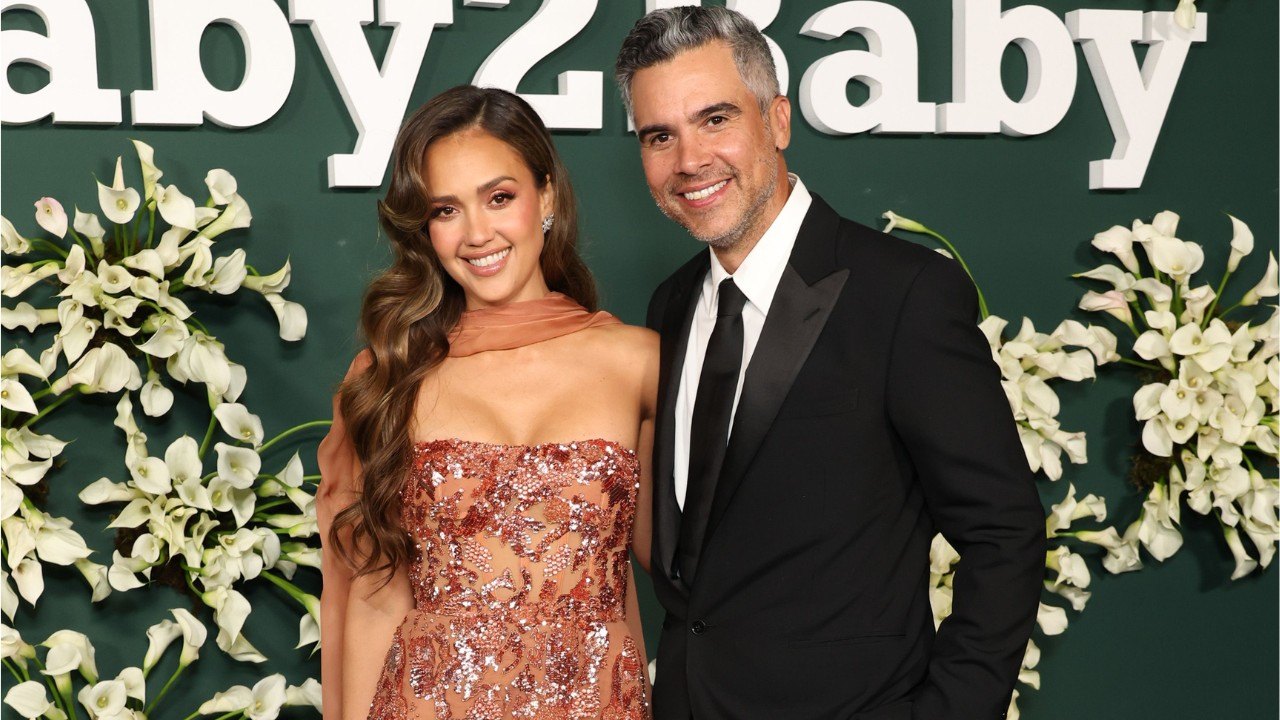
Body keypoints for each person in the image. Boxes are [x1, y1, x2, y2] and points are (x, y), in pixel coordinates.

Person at [614, 8, 1045, 720]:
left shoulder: (904, 293)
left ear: (777, 121)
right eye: (660, 135)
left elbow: (1005, 532)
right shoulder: (671, 305)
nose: (689, 159)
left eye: (715, 118)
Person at [316, 85, 657, 720]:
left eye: (499, 197)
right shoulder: (389, 377)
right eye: (446, 210)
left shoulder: (639, 362)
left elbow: (671, 567)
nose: (477, 234)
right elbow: (375, 599)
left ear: (546, 196)